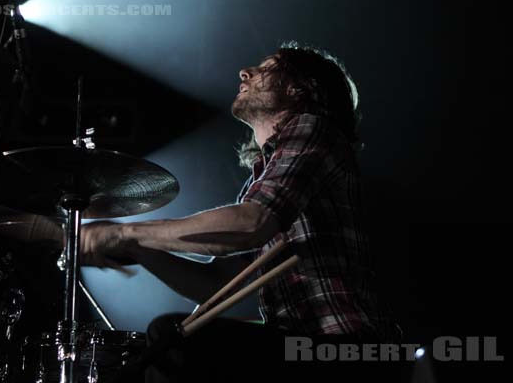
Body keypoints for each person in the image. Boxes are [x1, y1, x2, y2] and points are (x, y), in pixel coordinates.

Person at [80, 41, 402, 381]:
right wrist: (135, 248)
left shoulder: (314, 128)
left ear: (298, 88)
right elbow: (216, 285)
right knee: (166, 342)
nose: (245, 73)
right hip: (301, 345)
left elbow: (253, 223)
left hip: (345, 345)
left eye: (267, 68)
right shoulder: (260, 182)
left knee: (175, 342)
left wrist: (124, 232)